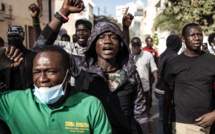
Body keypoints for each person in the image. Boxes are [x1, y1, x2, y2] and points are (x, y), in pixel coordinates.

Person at [34, 0, 149, 133]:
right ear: (93, 43)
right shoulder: (81, 66)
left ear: (120, 44)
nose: (107, 41)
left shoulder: (130, 74)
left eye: (113, 37)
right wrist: (63, 13)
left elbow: (140, 115)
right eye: (101, 37)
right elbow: (40, 49)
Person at [0, 45, 111, 133]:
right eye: (37, 72)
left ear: (68, 75)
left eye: (50, 71)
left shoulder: (90, 105)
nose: (42, 79)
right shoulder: (15, 102)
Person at [163, 23, 215, 134]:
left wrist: (214, 114)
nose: (196, 38)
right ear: (183, 39)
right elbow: (168, 95)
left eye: (199, 35)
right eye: (192, 35)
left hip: (210, 123)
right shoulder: (174, 63)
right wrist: (165, 122)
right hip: (184, 124)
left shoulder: (212, 61)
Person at [154, 35, 182, 134]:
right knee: (165, 119)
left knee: (163, 118)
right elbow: (169, 78)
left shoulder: (164, 54)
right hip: (164, 91)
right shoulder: (173, 56)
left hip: (159, 88)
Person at [130, 37, 158, 116]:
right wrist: (132, 55)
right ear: (131, 45)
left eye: (138, 44)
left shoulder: (147, 54)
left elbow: (154, 68)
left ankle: (145, 118)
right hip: (132, 86)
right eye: (134, 44)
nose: (136, 46)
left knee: (146, 103)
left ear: (140, 44)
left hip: (144, 85)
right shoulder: (129, 56)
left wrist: (156, 80)